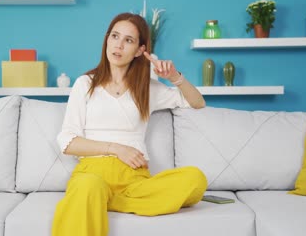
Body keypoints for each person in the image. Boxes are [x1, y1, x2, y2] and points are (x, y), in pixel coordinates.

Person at [52, 12, 207, 236]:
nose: (119, 45)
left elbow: (197, 102)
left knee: (195, 178)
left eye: (129, 40)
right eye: (115, 36)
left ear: (139, 51)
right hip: (92, 174)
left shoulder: (147, 88)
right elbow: (67, 142)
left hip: (134, 181)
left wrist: (174, 77)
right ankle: (98, 197)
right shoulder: (85, 84)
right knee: (88, 187)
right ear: (107, 40)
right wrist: (115, 149)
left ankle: (109, 201)